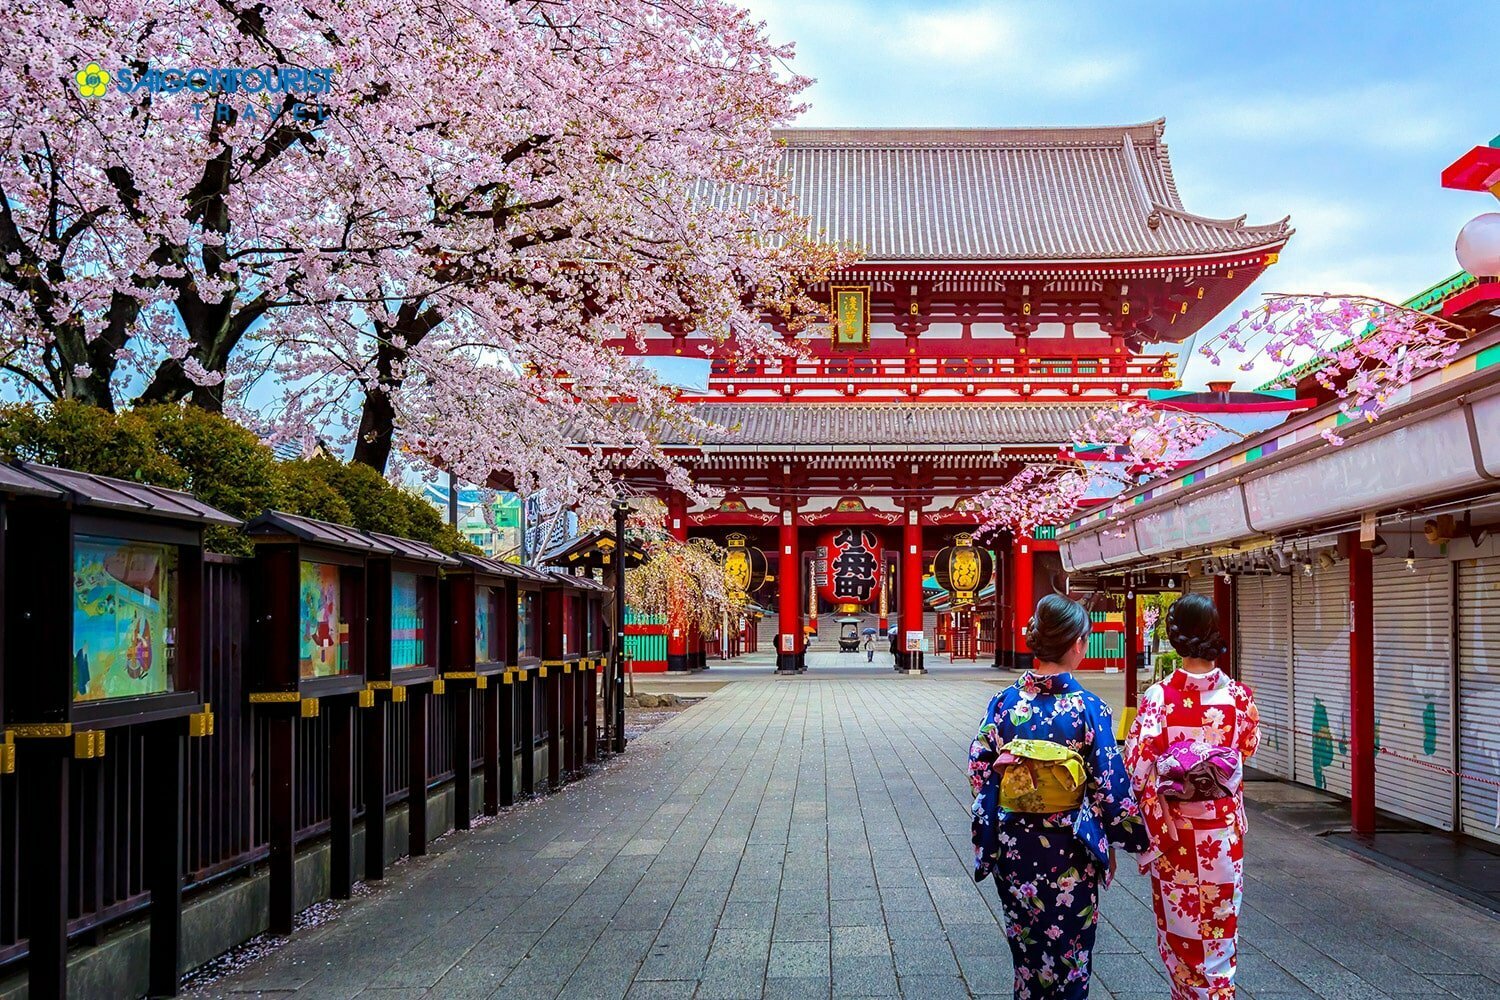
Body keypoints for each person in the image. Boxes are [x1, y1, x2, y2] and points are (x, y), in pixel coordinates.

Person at [969, 594, 1149, 1000]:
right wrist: (1130, 840)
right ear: (1077, 644)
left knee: (1028, 954)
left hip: (1015, 844)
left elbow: (980, 770)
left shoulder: (1004, 703)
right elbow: (1110, 788)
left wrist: (1004, 806)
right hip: (1068, 849)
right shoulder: (1088, 708)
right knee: (1069, 956)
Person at [1125, 594, 1260, 1000]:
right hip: (1221, 835)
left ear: (1174, 637)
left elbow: (1136, 766)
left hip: (1176, 835)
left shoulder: (1158, 699)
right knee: (1219, 933)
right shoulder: (1238, 698)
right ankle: (1219, 992)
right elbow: (1248, 748)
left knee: (1181, 938)